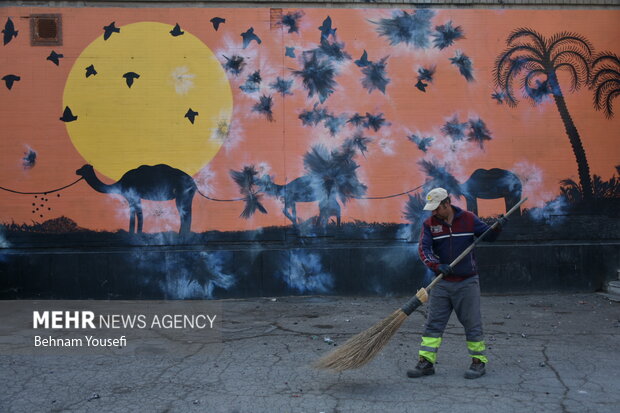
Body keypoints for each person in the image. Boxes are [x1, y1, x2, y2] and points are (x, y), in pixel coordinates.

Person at [408, 187, 507, 380]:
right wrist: (437, 266)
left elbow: (488, 237)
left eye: (437, 208)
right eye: (432, 209)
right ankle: (426, 362)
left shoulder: (468, 219)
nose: (434, 212)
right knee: (433, 325)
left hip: (467, 282)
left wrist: (498, 226)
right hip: (442, 283)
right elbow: (424, 249)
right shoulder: (430, 225)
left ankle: (478, 363)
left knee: (472, 324)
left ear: (447, 203)